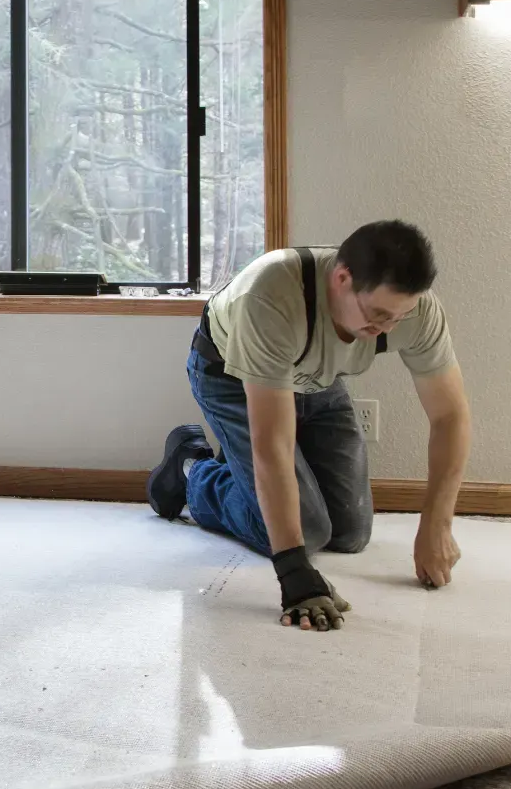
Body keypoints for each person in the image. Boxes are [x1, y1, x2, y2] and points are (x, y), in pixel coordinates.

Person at [147, 220, 472, 631]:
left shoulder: (416, 311)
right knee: (309, 531)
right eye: (379, 315)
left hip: (317, 379)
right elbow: (273, 445)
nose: (389, 328)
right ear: (342, 279)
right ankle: (192, 468)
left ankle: (238, 468)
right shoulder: (272, 295)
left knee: (350, 532)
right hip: (230, 378)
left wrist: (437, 524)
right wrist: (293, 572)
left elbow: (449, 416)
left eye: (400, 317)